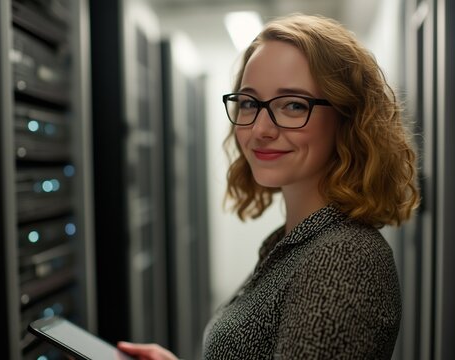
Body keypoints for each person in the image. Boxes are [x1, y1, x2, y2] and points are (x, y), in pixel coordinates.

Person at [117, 13, 420, 360]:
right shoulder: (296, 240)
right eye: (249, 103)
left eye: (293, 105)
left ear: (348, 119)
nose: (260, 128)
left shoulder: (343, 259)